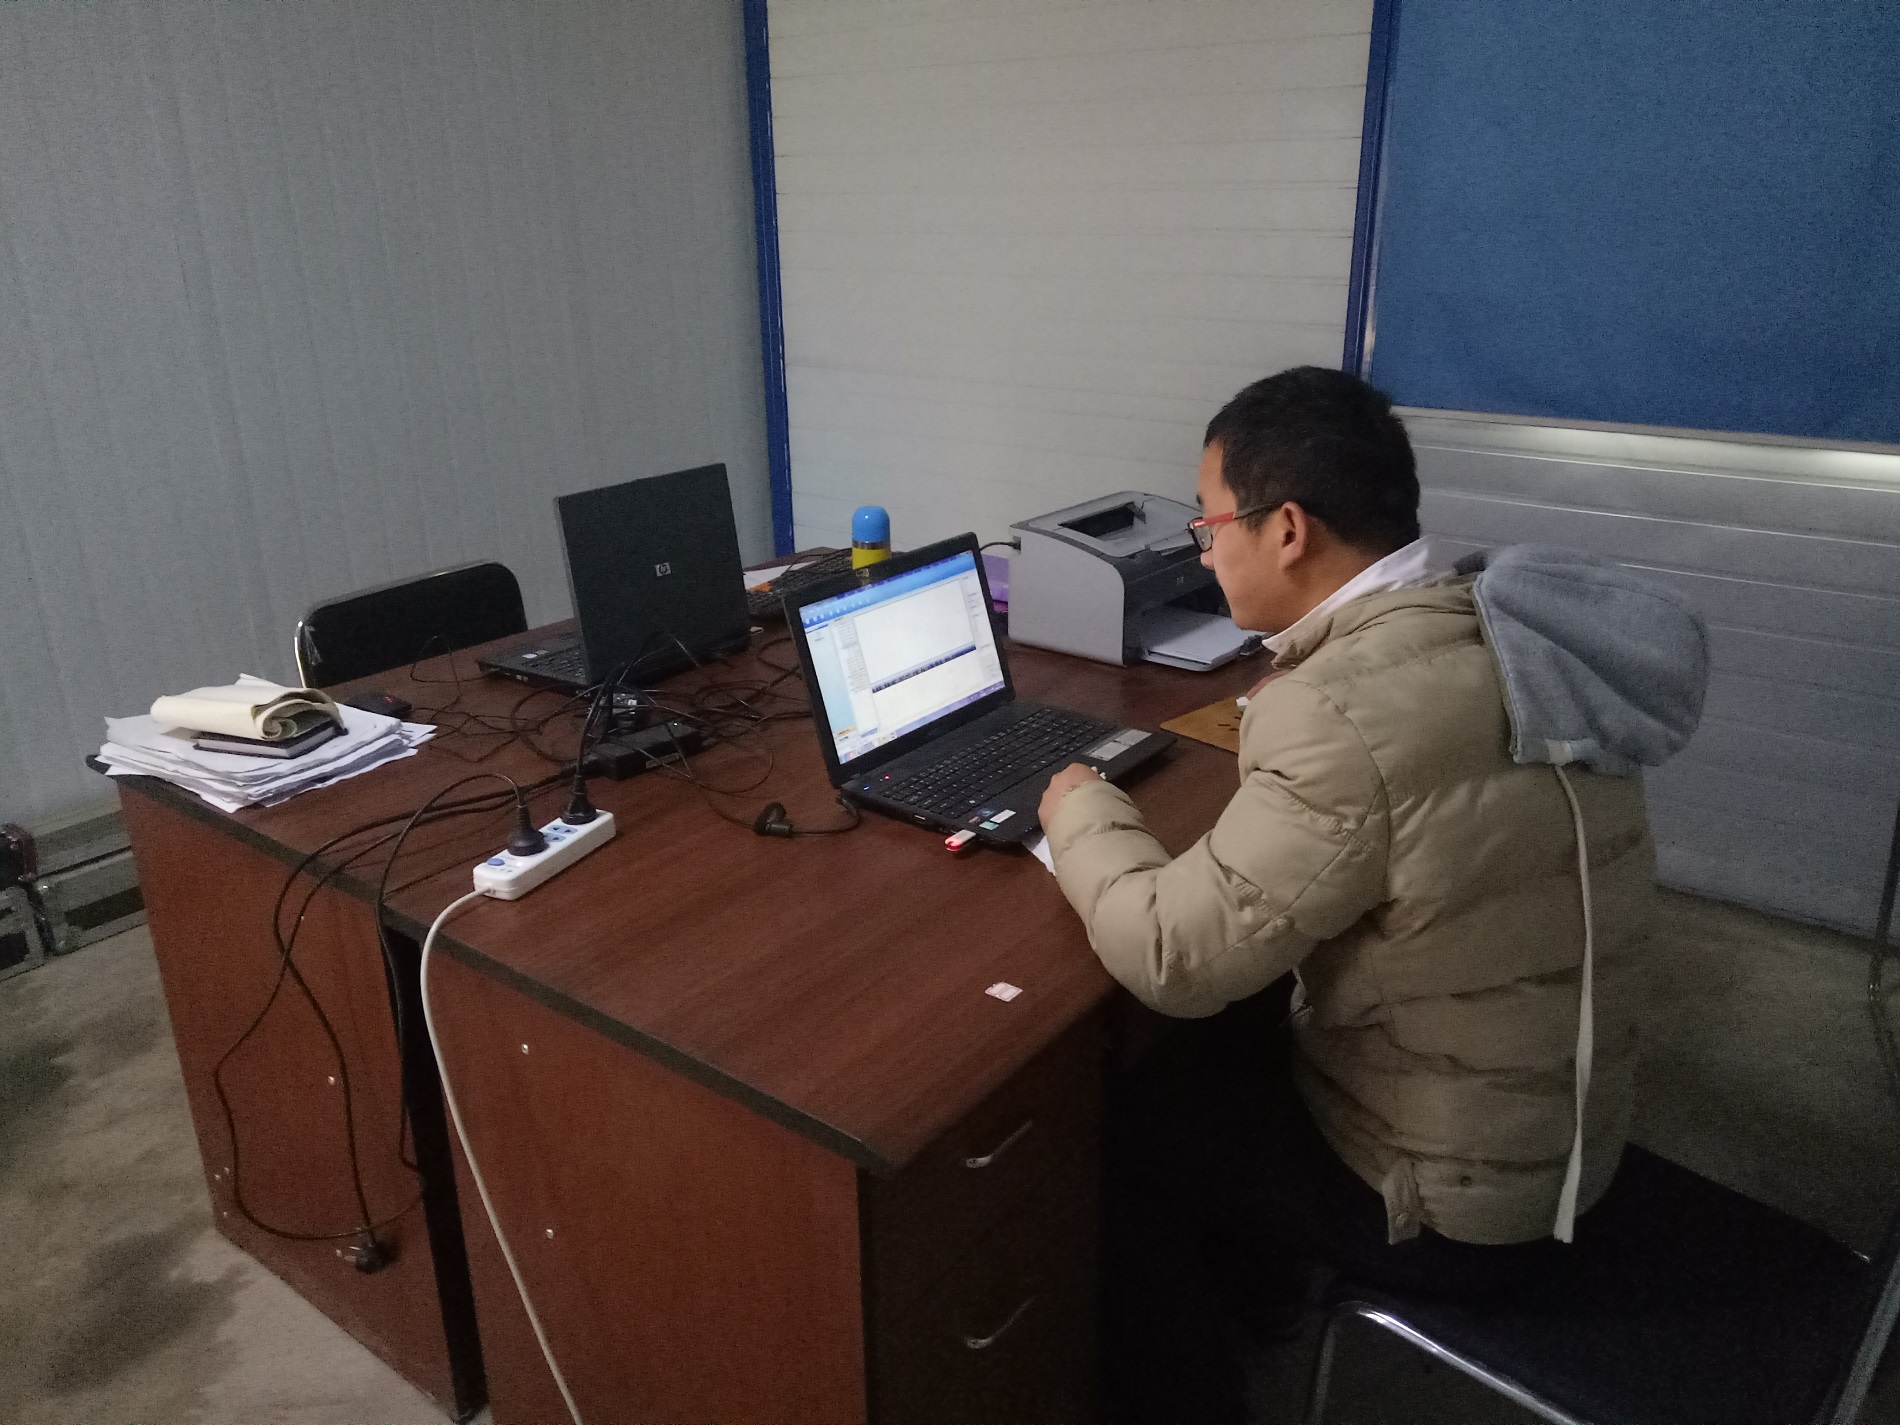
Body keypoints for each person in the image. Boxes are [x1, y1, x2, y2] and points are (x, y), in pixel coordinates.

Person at [1036, 366, 1708, 1422]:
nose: (1202, 552)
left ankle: (1194, 1392)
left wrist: (1078, 808)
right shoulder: (1510, 634)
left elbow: (1170, 955)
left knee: (1121, 1135)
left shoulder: (1339, 710)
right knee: (1237, 1027)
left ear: (1286, 530)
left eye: (1209, 524)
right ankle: (1261, 1297)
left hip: (1460, 1207)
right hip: (1567, 1138)